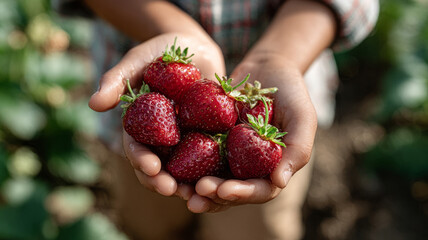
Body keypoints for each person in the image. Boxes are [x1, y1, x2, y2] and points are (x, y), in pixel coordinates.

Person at [54, 0, 379, 239]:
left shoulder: (263, 131)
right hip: (141, 64)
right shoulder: (155, 100)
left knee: (259, 230)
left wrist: (277, 56)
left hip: (278, 92)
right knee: (148, 223)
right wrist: (174, 31)